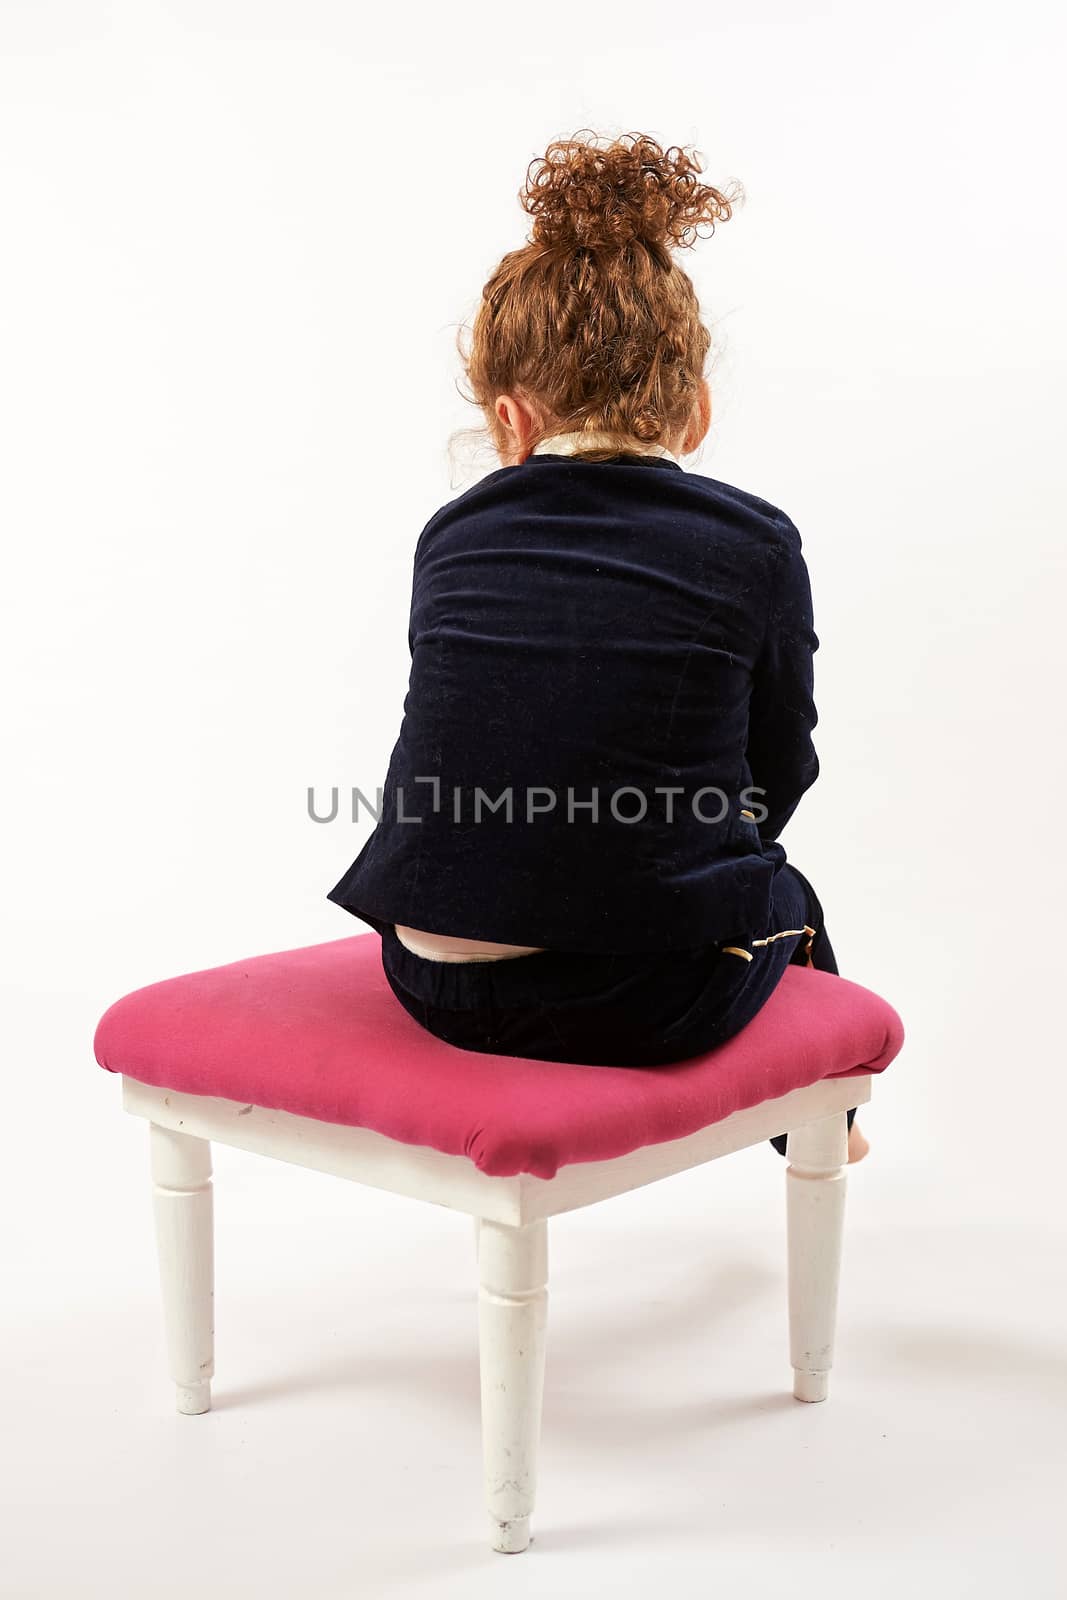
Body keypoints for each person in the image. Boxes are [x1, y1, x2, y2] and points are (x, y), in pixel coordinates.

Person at [327, 129, 867, 1164]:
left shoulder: (451, 534)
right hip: (641, 1002)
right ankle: (826, 1130)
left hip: (427, 979)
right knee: (784, 892)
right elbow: (779, 765)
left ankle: (815, 1114)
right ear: (696, 413)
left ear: (508, 420)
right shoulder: (750, 540)